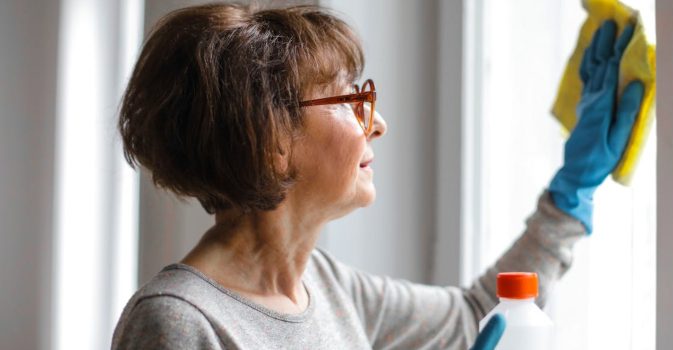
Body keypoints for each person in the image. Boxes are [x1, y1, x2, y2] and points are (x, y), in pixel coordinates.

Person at [111, 3, 642, 349]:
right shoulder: (178, 325)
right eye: (351, 99)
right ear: (270, 138)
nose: (379, 124)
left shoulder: (328, 286)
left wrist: (573, 191)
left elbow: (474, 319)